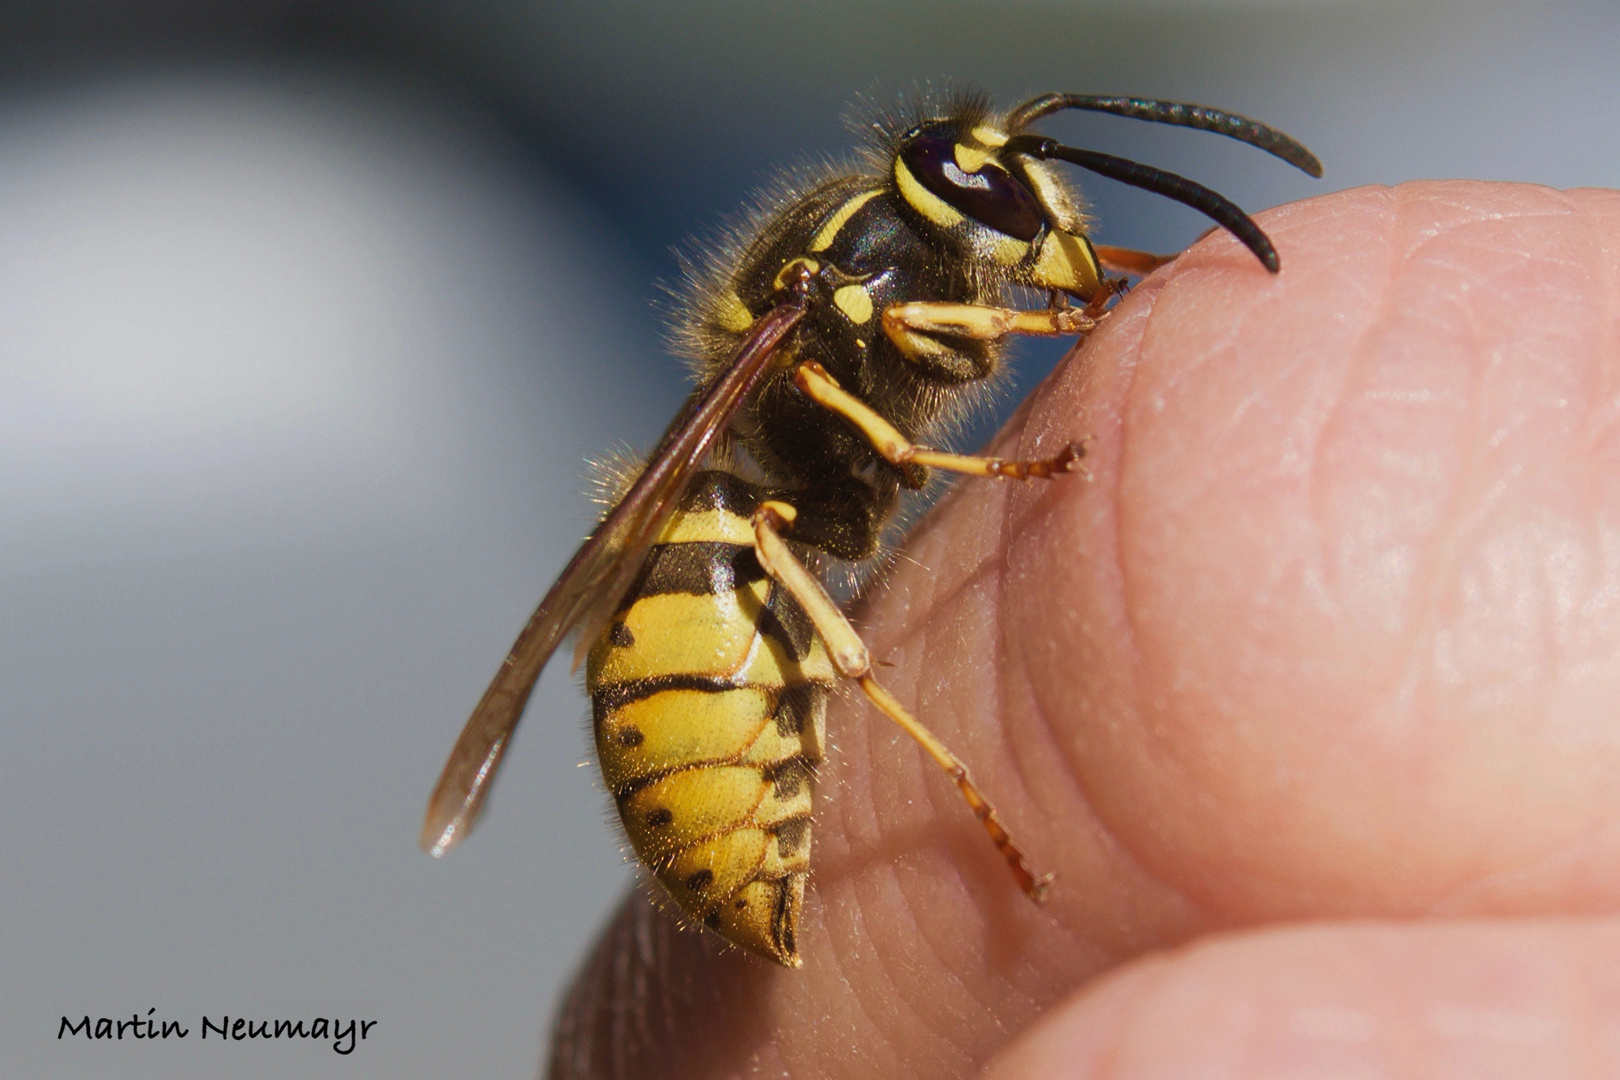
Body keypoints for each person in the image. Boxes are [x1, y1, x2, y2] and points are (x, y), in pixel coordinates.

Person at [549, 181, 1620, 1079]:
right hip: (709, 622)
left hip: (719, 600)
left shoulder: (893, 291)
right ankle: (954, 775)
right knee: (780, 548)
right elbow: (909, 402)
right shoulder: (825, 316)